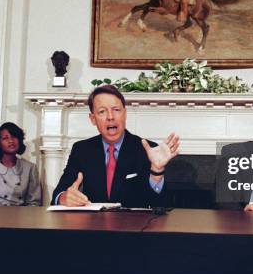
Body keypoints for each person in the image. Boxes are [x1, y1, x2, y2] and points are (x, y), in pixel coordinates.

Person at [51, 85, 180, 208]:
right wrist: (63, 198)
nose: (111, 117)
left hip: (133, 228)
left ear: (125, 114)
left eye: (116, 110)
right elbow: (57, 195)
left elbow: (160, 205)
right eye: (102, 111)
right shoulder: (82, 150)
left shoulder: (147, 150)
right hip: (92, 227)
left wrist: (157, 172)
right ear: (93, 119)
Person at [0, 122, 41, 206]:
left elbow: (34, 202)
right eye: (5, 138)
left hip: (21, 216)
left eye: (14, 137)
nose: (11, 141)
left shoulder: (30, 167)